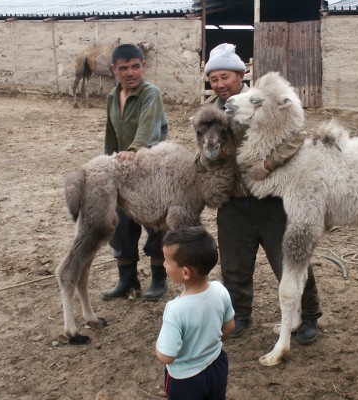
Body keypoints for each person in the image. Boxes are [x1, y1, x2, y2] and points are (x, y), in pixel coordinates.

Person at [202, 43, 323, 344]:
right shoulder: (210, 113)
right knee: (234, 265)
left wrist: (269, 164)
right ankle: (240, 315)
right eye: (213, 79)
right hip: (232, 200)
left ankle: (308, 316)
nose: (219, 84)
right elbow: (203, 151)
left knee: (290, 260)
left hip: (272, 199)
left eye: (224, 77)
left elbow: (297, 136)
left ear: (241, 75)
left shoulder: (262, 101)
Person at [101, 43, 168, 302]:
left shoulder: (150, 93)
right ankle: (127, 279)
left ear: (143, 65)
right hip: (123, 170)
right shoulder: (111, 96)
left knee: (156, 225)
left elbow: (149, 127)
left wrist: (134, 149)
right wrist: (109, 162)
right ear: (113, 70)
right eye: (124, 68)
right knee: (120, 224)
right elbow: (111, 133)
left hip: (151, 169)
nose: (130, 72)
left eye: (135, 66)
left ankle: (159, 277)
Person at [156, 226, 235, 400]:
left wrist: (158, 349)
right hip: (217, 364)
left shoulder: (175, 310)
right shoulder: (220, 290)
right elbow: (229, 326)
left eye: (167, 261)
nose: (164, 264)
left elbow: (167, 356)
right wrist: (208, 344)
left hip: (185, 379)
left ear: (185, 272)